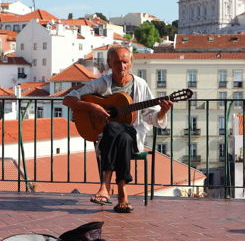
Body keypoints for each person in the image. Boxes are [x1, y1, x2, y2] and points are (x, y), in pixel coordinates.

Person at [63, 46, 172, 213]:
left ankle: (105, 185)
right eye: (117, 62)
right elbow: (69, 99)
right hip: (119, 139)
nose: (122, 67)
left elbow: (151, 117)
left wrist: (163, 110)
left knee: (115, 129)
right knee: (119, 135)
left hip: (131, 133)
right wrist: (92, 107)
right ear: (109, 63)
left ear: (131, 63)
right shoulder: (102, 83)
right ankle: (122, 193)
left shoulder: (140, 85)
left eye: (125, 62)